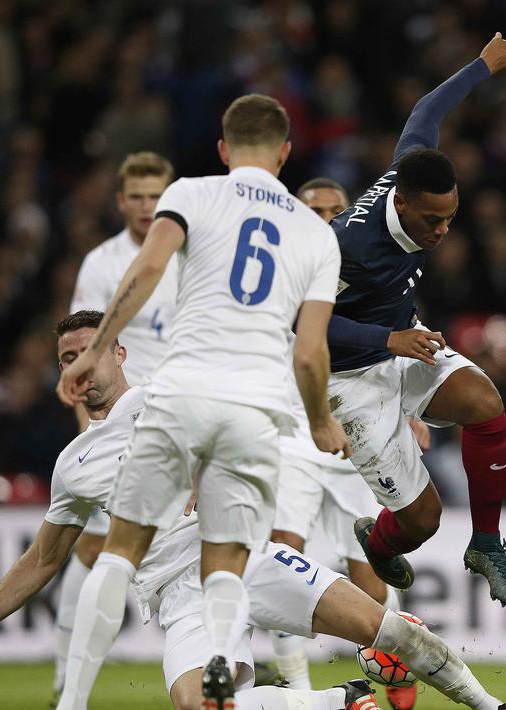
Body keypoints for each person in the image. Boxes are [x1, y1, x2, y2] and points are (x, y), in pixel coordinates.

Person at [0, 311, 506, 710]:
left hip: (246, 556)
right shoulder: (76, 463)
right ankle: (345, 701)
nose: (81, 367)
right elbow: (44, 557)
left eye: (89, 353)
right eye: (68, 360)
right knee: (201, 706)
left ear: (119, 354)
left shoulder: (175, 396)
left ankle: (494, 708)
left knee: (384, 630)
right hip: (181, 592)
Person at [55, 94, 349, 709]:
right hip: (254, 410)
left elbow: (149, 268)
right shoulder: (312, 229)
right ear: (286, 153)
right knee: (229, 558)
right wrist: (320, 420)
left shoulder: (191, 193)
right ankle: (227, 657)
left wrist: (94, 349)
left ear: (222, 148)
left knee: (117, 554)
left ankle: (71, 703)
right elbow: (309, 353)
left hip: (175, 399)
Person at [325, 32, 506, 610]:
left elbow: (425, 111)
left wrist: (483, 65)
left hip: (403, 347)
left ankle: (487, 545)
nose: (442, 231)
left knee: (485, 403)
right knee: (421, 521)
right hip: (347, 380)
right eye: (433, 220)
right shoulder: (349, 246)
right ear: (404, 206)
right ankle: (379, 540)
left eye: (452, 217)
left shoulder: (407, 172)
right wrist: (389, 338)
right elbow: (302, 326)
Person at [268, 177, 425, 710]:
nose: (326, 218)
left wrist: (409, 411)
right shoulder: (282, 273)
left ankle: (399, 678)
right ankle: (300, 693)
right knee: (281, 556)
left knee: (371, 585)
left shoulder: (367, 274)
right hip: (293, 440)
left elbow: (397, 344)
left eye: (335, 210)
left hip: (354, 442)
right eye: (314, 210)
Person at [52, 150, 179, 702]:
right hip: (118, 424)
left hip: (177, 422)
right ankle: (65, 680)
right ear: (121, 201)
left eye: (157, 196)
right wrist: (90, 433)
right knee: (92, 551)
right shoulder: (103, 265)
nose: (148, 206)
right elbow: (83, 349)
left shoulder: (184, 257)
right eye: (138, 196)